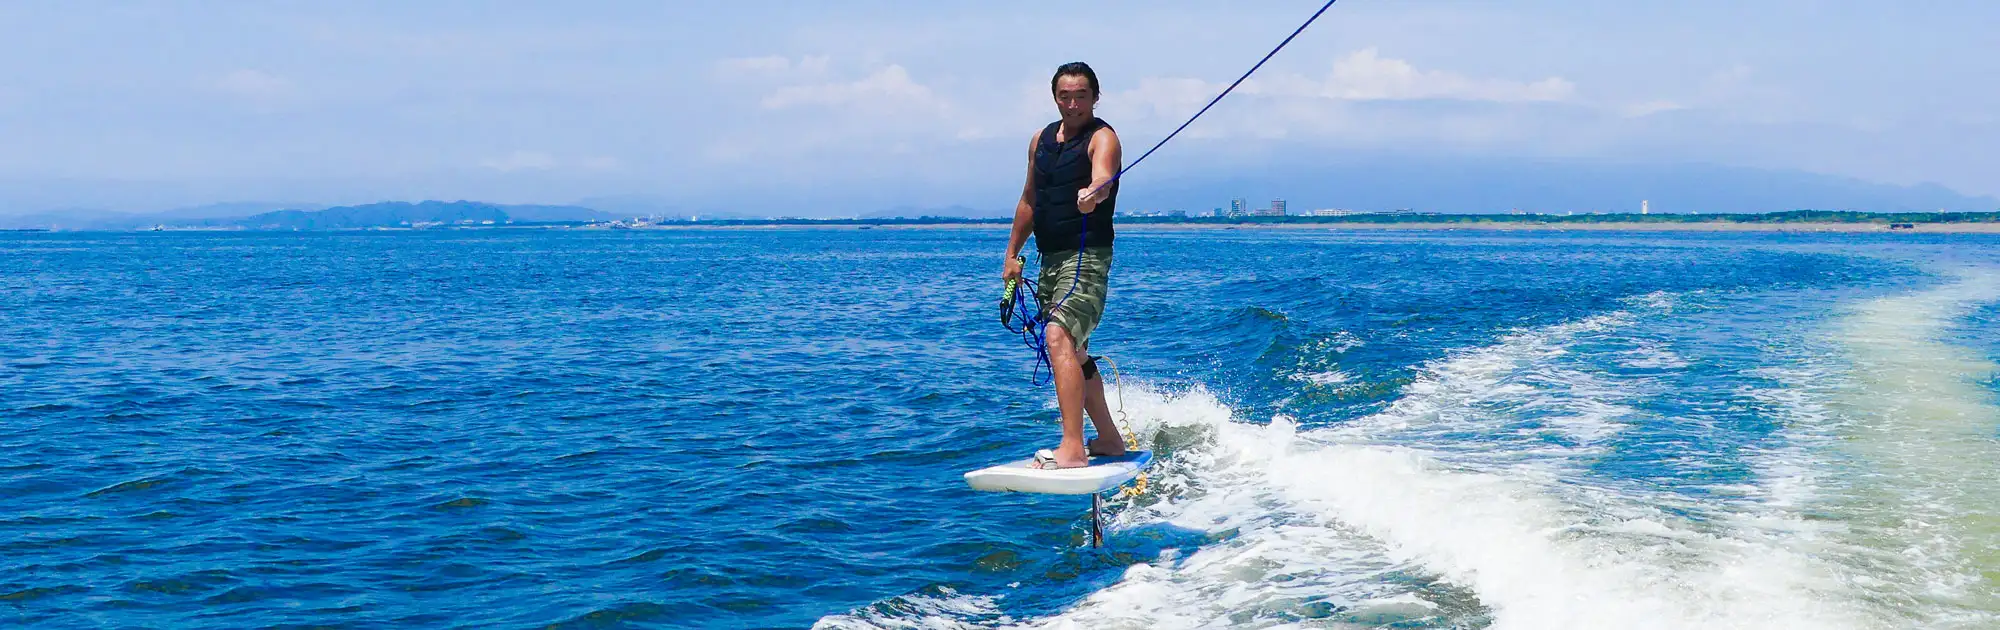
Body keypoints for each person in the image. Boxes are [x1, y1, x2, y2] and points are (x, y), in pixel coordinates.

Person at [1001, 62, 1126, 470]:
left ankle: (1072, 447)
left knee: (1058, 337)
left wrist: (1095, 192)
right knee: (1076, 350)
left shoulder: (1102, 138)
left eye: (1081, 96)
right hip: (1048, 260)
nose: (1072, 104)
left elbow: (1103, 177)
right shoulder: (1039, 140)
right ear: (1055, 97)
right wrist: (1013, 254)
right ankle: (1108, 439)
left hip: (1085, 257)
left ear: (1095, 97)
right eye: (1065, 96)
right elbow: (1029, 199)